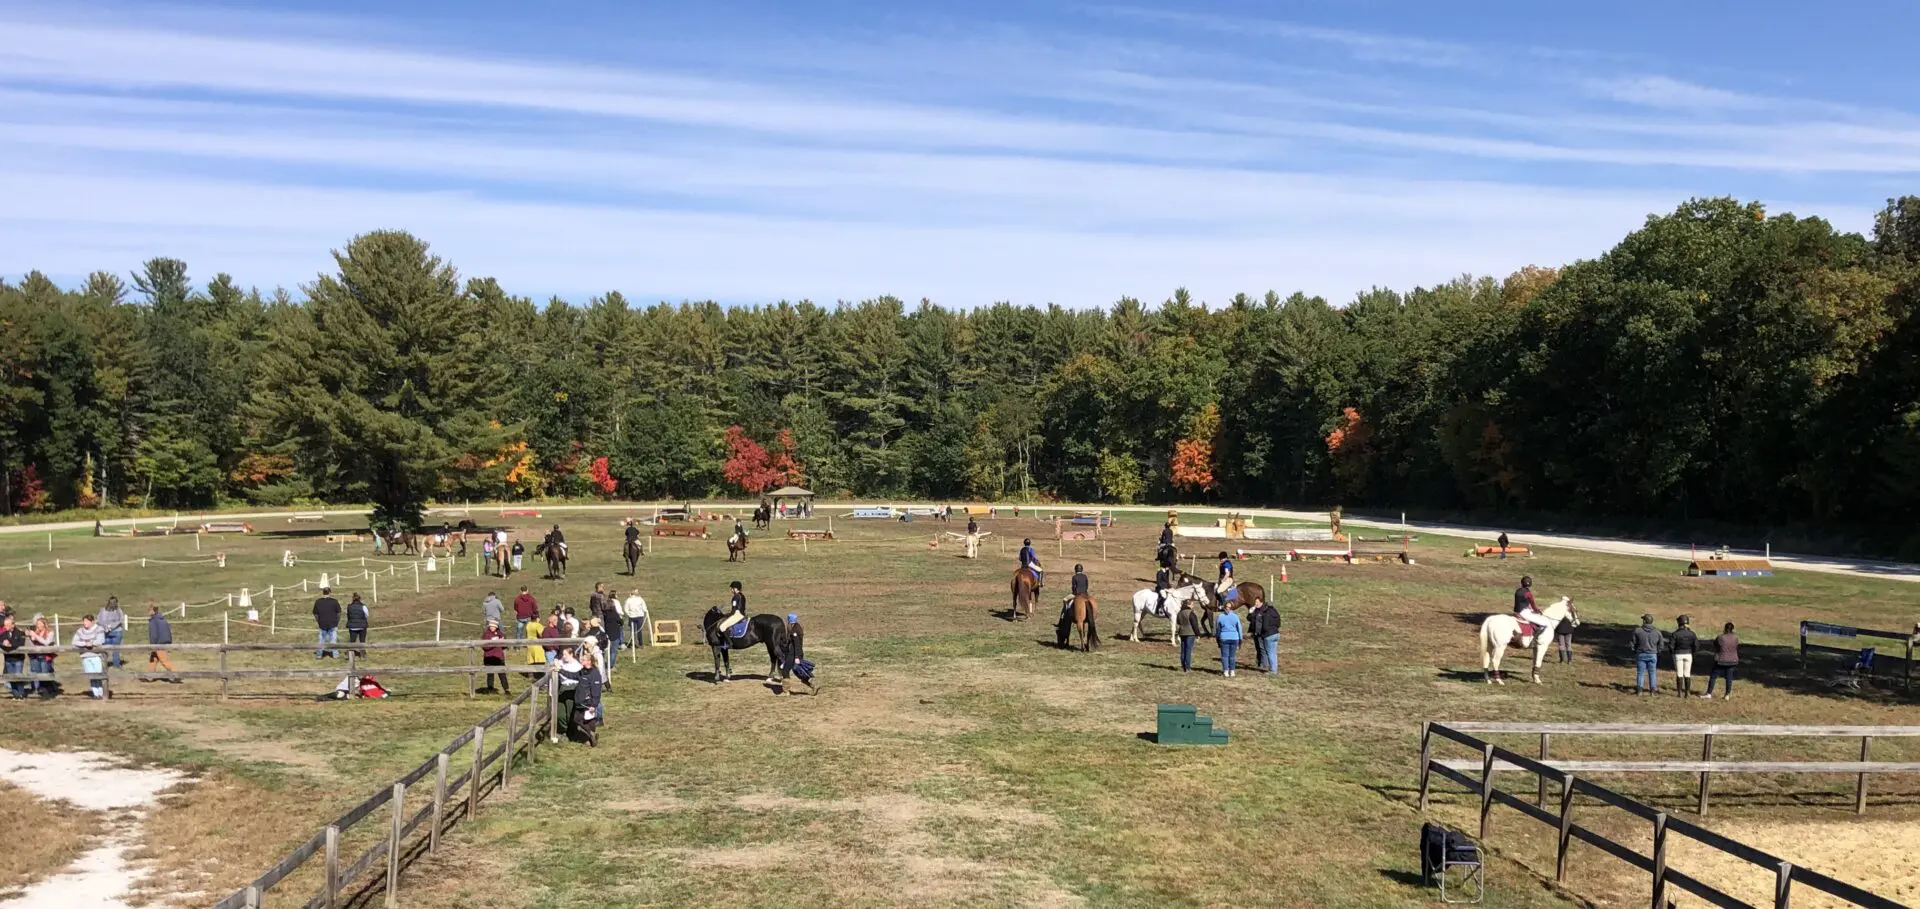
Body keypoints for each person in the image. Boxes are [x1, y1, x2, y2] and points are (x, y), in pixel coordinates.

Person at [568, 650, 603, 747]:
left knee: (581, 719)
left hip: (587, 702)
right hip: (580, 701)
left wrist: (593, 704)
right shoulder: (582, 672)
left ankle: (590, 736)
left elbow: (596, 690)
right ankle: (590, 737)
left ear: (589, 662)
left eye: (583, 660)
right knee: (585, 721)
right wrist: (560, 671)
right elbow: (572, 675)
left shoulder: (595, 674)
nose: (581, 661)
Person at [72, 614, 107, 698]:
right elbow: (74, 642)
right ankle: (95, 694)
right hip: (85, 656)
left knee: (98, 675)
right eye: (84, 621)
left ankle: (101, 693)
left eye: (87, 621)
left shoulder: (99, 629)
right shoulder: (80, 631)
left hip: (96, 655)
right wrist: (84, 643)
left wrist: (91, 643)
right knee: (91, 676)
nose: (85, 623)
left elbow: (100, 640)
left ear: (92, 621)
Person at [1630, 613, 1665, 695]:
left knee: (1640, 672)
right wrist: (1657, 651)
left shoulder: (1638, 630)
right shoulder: (1657, 632)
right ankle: (1653, 690)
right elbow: (1661, 644)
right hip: (1653, 654)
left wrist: (1635, 650)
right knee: (1652, 672)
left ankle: (1639, 690)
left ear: (1645, 621)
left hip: (1641, 654)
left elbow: (1633, 643)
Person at [1704, 623, 1739, 700]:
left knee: (1713, 676)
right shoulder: (1735, 638)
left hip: (1721, 659)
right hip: (1732, 660)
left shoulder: (1721, 637)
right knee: (1729, 678)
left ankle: (1709, 693)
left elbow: (1715, 644)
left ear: (1725, 628)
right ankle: (1727, 695)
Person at [146, 602, 178, 682]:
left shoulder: (153, 621)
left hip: (158, 643)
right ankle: (150, 676)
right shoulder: (163, 619)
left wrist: (152, 645)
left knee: (164, 661)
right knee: (153, 659)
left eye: (149, 610)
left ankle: (176, 674)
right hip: (164, 641)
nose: (148, 612)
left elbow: (153, 634)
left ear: (153, 611)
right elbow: (168, 631)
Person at [1250, 596, 1280, 675]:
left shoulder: (1265, 613)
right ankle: (1274, 668)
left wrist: (1262, 633)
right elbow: (1278, 622)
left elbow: (1265, 626)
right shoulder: (1274, 611)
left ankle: (1273, 670)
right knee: (1273, 652)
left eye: (1257, 602)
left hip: (1268, 635)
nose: (1255, 604)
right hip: (1276, 633)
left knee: (1270, 652)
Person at [479, 619, 511, 694]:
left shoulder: (500, 634)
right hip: (489, 657)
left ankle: (506, 689)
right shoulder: (486, 634)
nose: (492, 627)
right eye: (491, 626)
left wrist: (503, 642)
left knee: (502, 674)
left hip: (499, 657)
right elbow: (485, 647)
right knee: (490, 674)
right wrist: (495, 643)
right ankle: (490, 689)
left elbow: (505, 646)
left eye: (494, 626)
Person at [1671, 615, 1699, 698]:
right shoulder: (1692, 634)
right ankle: (1687, 692)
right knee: (1687, 674)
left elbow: (1671, 646)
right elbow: (1696, 645)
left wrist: (1673, 653)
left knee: (1679, 673)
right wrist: (1692, 652)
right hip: (1688, 654)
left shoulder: (1675, 634)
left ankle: (1679, 693)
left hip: (1678, 654)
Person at [26, 615, 55, 696]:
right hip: (36, 655)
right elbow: (33, 641)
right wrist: (30, 635)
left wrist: (36, 636)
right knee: (37, 673)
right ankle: (40, 689)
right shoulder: (36, 632)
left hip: (45, 656)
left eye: (39, 623)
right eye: (37, 624)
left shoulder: (50, 632)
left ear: (44, 624)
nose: (38, 625)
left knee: (45, 673)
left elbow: (46, 642)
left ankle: (48, 690)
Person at [1, 615, 27, 699]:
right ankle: (15, 694)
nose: (6, 627)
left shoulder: (19, 633)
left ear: (13, 625)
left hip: (18, 659)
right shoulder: (4, 634)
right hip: (8, 659)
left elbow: (20, 643)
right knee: (11, 677)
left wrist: (10, 644)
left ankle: (21, 694)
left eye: (8, 625)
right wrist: (3, 643)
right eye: (5, 625)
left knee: (18, 677)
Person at [98, 596, 127, 668]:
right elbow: (100, 620)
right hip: (106, 632)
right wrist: (105, 627)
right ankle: (103, 664)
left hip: (116, 632)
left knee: (115, 649)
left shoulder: (119, 611)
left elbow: (121, 620)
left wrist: (112, 627)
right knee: (103, 648)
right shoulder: (103, 611)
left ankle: (116, 665)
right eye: (111, 602)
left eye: (114, 602)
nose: (113, 604)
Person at [1215, 604, 1243, 677]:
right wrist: (1240, 639)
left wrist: (1217, 639)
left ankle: (1226, 671)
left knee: (1224, 656)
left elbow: (1218, 629)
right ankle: (1232, 671)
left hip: (1224, 637)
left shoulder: (1220, 617)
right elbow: (1239, 628)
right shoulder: (1235, 616)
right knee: (1232, 656)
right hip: (1234, 637)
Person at [313, 587, 341, 659]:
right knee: (333, 640)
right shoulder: (334, 601)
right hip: (333, 623)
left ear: (323, 593)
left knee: (321, 640)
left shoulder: (318, 601)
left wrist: (318, 620)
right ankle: (335, 655)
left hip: (322, 623)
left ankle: (319, 655)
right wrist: (337, 621)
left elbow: (315, 613)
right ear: (330, 593)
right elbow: (338, 613)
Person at [1175, 600, 1200, 672]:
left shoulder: (1180, 613)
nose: (1193, 606)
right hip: (1190, 633)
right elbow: (1194, 624)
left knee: (1183, 650)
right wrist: (1198, 634)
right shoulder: (1191, 613)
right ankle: (1187, 667)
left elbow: (1178, 622)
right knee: (1188, 650)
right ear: (1188, 605)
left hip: (1182, 632)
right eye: (1192, 604)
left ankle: (1183, 666)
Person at [603, 590, 625, 668]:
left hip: (608, 633)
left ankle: (607, 664)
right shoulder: (614, 614)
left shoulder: (605, 614)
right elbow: (621, 621)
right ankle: (611, 665)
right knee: (614, 651)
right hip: (615, 634)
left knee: (608, 651)